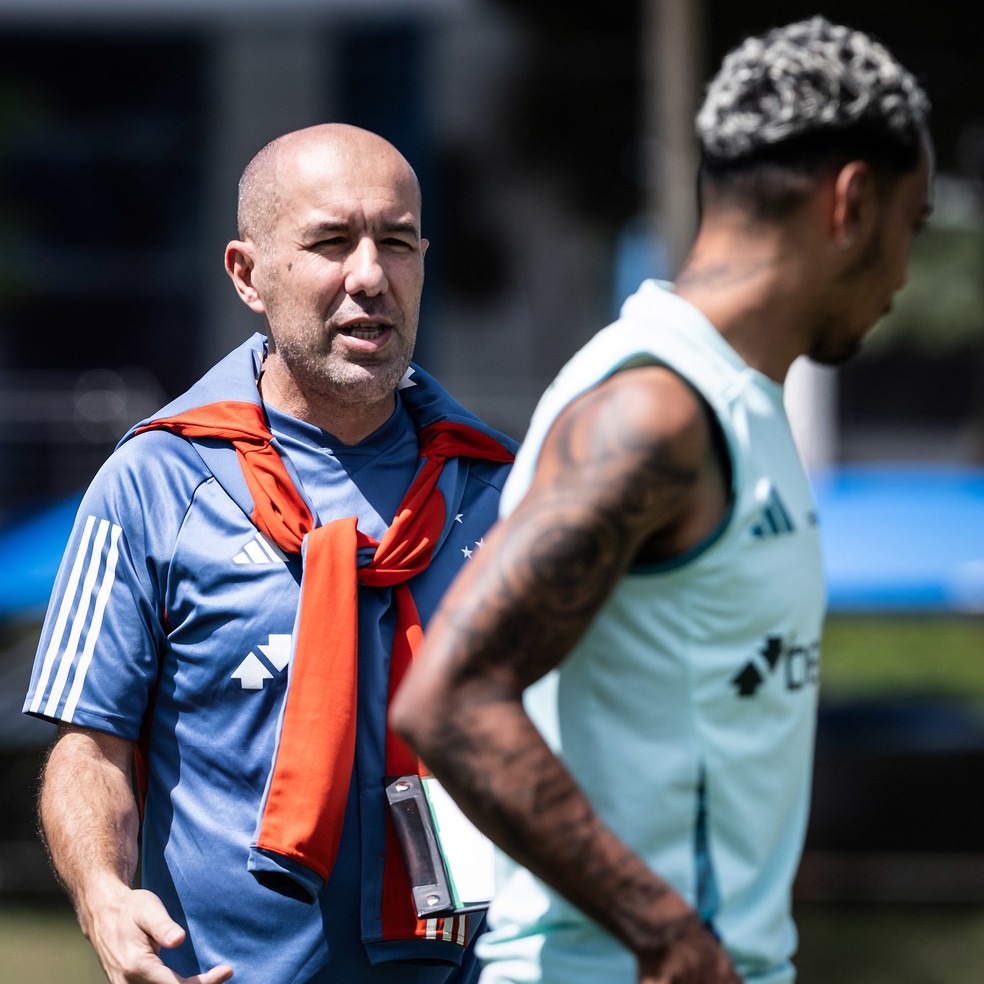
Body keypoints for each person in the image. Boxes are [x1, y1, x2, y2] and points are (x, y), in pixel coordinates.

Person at [391, 17, 933, 984]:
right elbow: (453, 699)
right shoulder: (653, 412)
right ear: (852, 203)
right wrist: (666, 935)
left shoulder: (733, 399)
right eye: (914, 225)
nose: (904, 271)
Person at [24, 123, 516, 984]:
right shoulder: (154, 482)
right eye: (330, 242)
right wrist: (103, 894)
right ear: (247, 274)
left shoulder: (500, 490)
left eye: (396, 243)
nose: (370, 275)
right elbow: (88, 747)